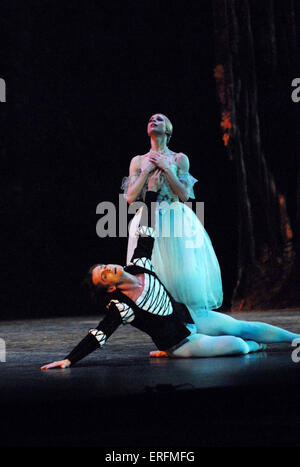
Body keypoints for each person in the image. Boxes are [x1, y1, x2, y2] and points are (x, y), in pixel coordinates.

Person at [41, 173, 300, 369]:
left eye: (104, 267)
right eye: (104, 275)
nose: (108, 268)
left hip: (190, 318)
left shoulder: (139, 264)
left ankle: (295, 338)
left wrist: (152, 191)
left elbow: (148, 226)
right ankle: (252, 347)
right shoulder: (121, 306)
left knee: (241, 326)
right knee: (238, 346)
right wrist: (68, 360)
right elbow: (99, 335)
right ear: (109, 287)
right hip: (181, 343)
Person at [121, 113, 223, 326]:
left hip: (175, 217)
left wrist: (167, 169)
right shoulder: (138, 161)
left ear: (167, 130)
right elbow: (130, 198)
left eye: (159, 119)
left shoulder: (179, 159)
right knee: (154, 270)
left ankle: (191, 326)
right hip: (148, 218)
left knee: (181, 272)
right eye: (150, 119)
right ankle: (169, 327)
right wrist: (146, 172)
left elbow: (185, 195)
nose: (153, 121)